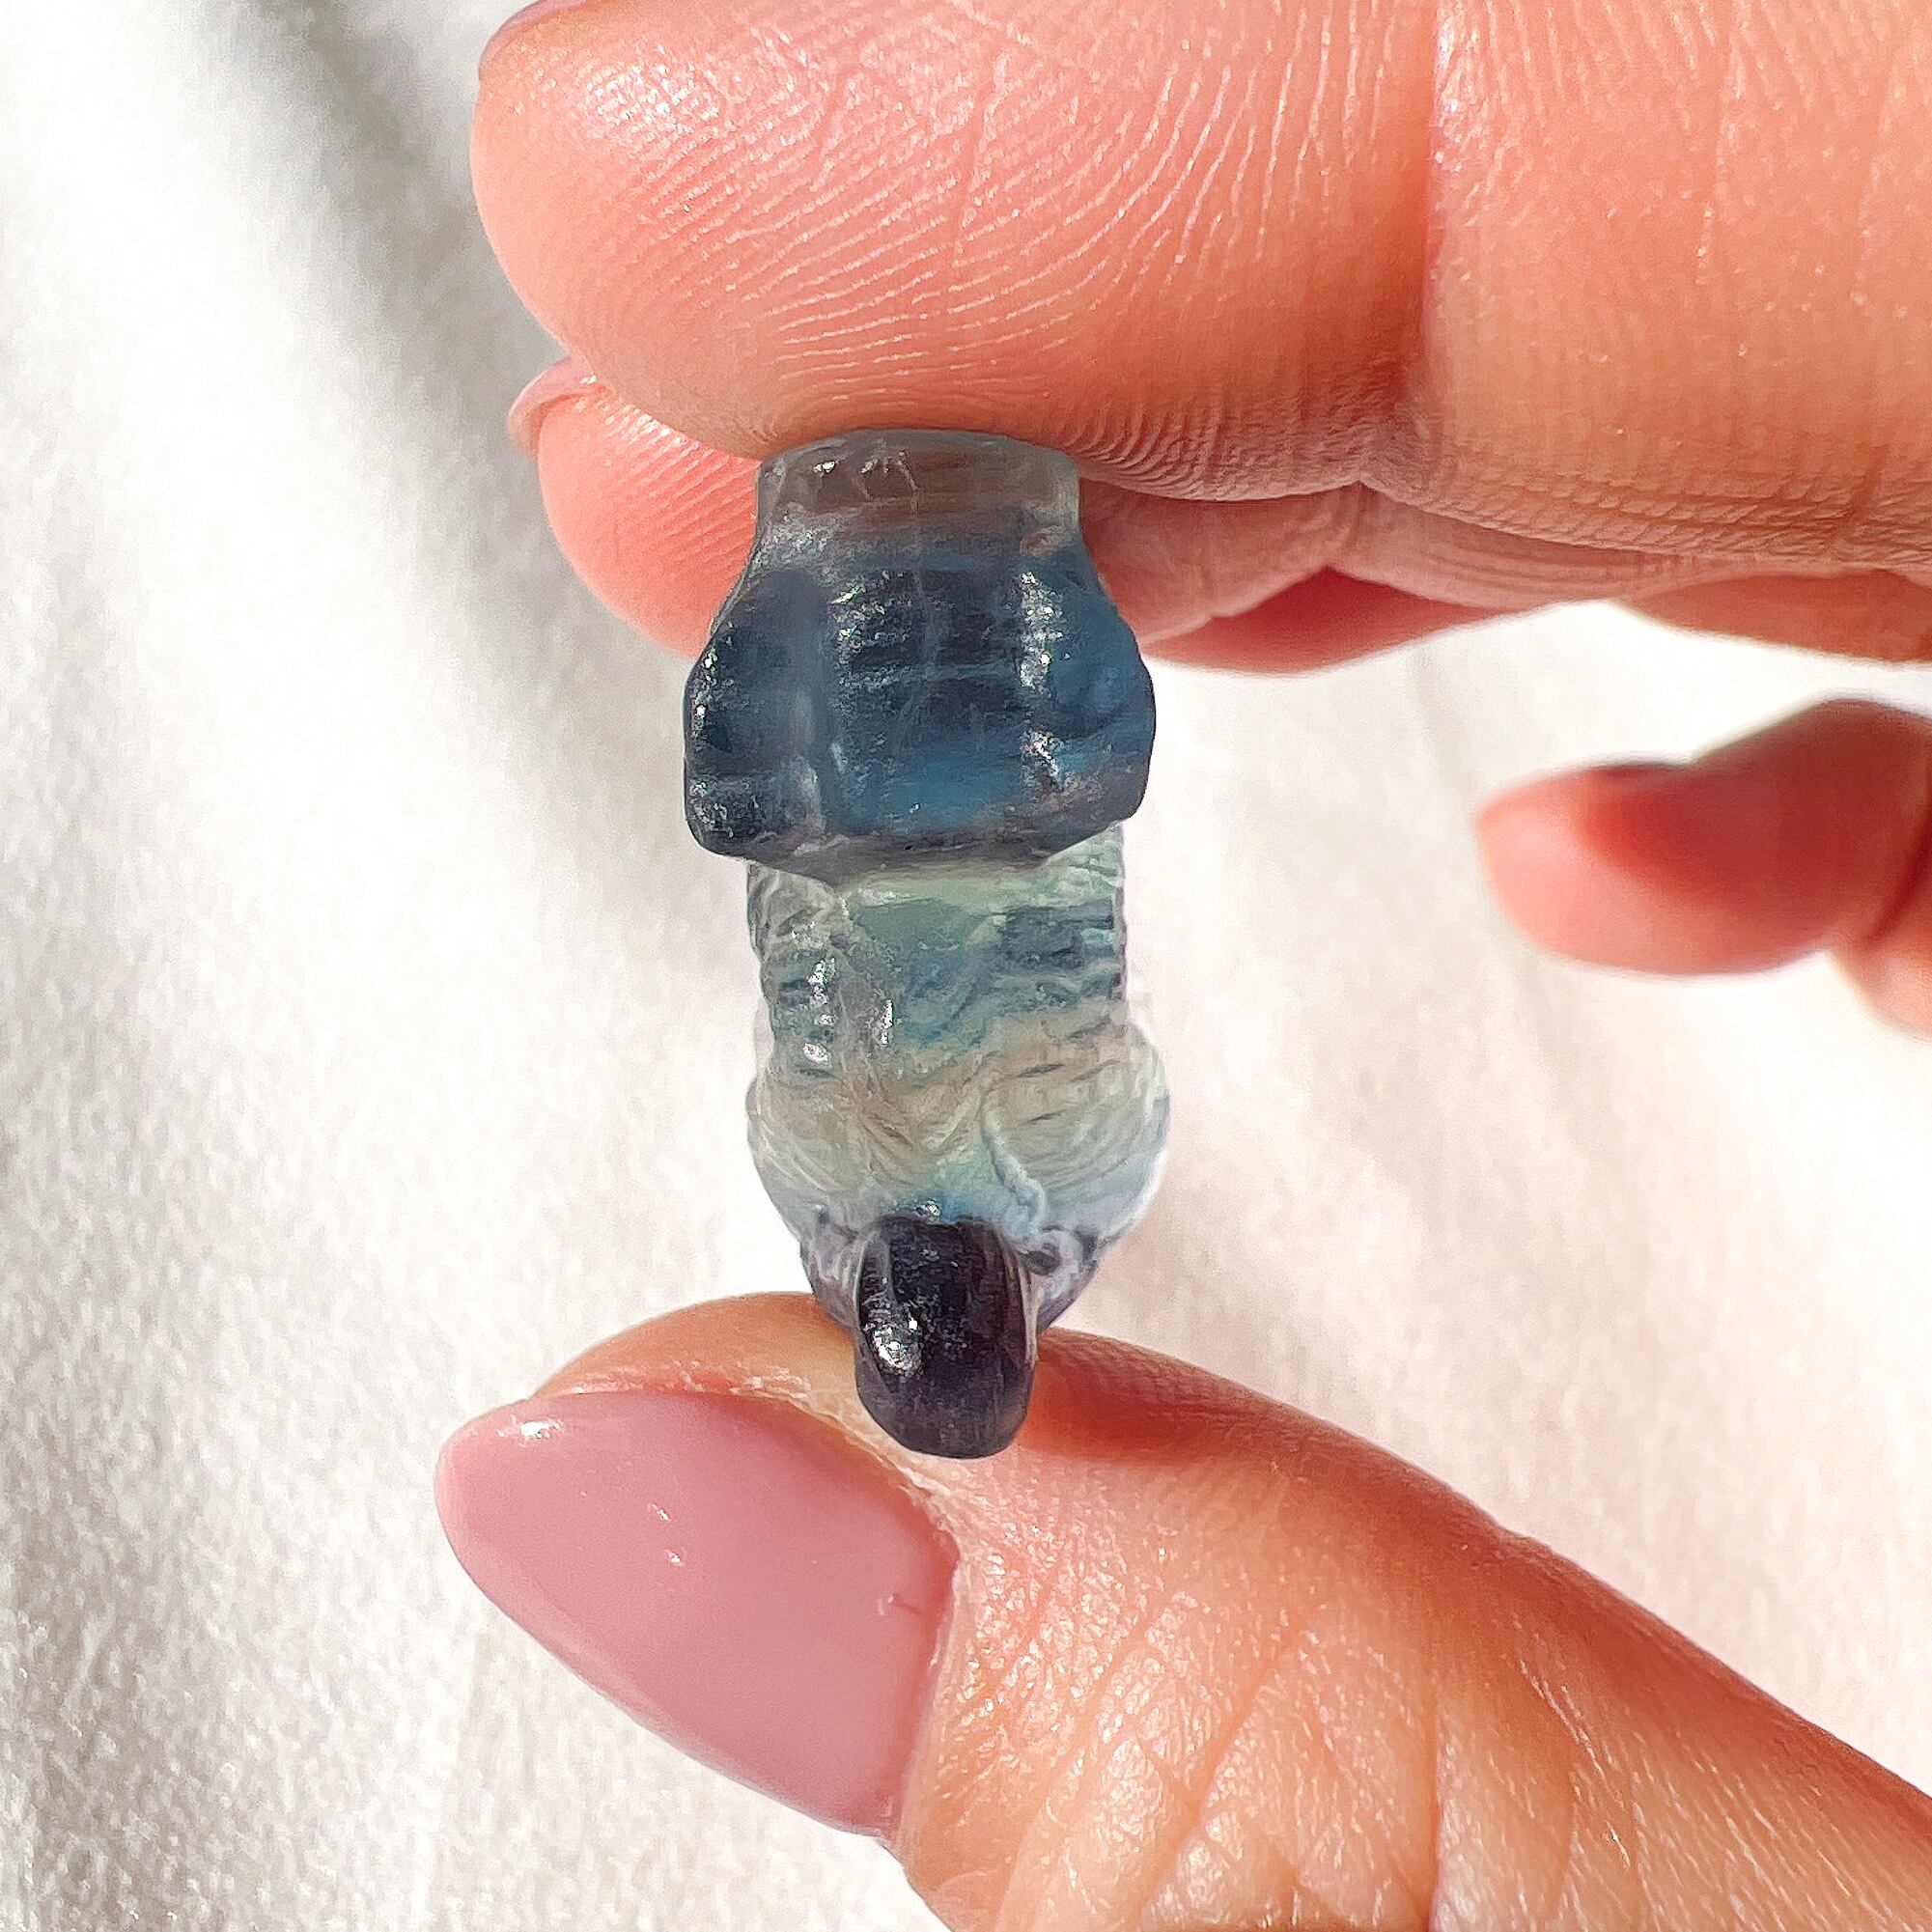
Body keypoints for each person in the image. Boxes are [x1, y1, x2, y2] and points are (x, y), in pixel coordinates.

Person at [437, 0, 1932, 1924]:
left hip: (937, 821)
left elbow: (982, 757)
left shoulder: (959, 1134)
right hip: (919, 837)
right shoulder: (990, 1146)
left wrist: (856, 772)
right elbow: (813, 778)